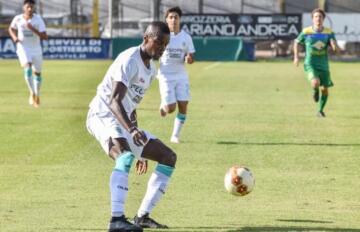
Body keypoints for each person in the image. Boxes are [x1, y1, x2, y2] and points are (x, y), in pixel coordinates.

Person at [86, 22, 175, 232]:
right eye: (159, 42)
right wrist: (132, 131)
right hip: (102, 114)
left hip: (122, 119)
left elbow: (130, 106)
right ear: (146, 38)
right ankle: (116, 220)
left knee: (167, 157)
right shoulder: (129, 59)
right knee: (124, 157)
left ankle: (142, 216)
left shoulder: (151, 70)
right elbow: (115, 100)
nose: (162, 48)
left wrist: (139, 144)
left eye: (166, 45)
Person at [158, 6, 195, 143]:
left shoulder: (186, 37)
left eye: (176, 17)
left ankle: (175, 136)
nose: (173, 20)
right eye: (171, 17)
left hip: (181, 75)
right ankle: (164, 105)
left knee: (184, 105)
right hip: (165, 75)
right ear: (166, 20)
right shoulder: (161, 36)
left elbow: (191, 56)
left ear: (179, 20)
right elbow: (154, 52)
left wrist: (189, 59)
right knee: (171, 109)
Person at [293, 8, 339, 117]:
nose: (318, 19)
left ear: (323, 19)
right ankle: (315, 90)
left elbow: (336, 50)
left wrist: (334, 44)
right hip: (310, 63)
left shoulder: (329, 32)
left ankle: (320, 111)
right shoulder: (306, 32)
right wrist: (296, 57)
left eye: (320, 17)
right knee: (315, 82)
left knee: (325, 90)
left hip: (323, 64)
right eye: (316, 17)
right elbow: (296, 42)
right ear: (313, 19)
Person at [8, 0, 48, 108]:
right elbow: (11, 28)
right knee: (28, 67)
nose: (30, 9)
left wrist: (32, 29)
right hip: (23, 47)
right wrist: (15, 37)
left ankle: (37, 94)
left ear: (34, 7)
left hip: (36, 49)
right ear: (23, 8)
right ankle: (32, 93)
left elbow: (45, 36)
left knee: (38, 74)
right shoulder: (18, 18)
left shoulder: (38, 19)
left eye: (31, 7)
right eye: (27, 7)